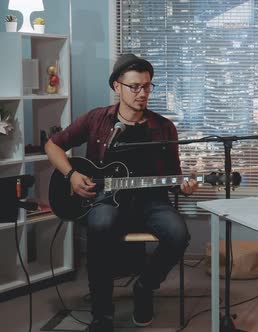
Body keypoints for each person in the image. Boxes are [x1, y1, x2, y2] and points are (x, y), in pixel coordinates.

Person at [45, 54, 198, 332]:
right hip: (106, 197)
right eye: (134, 87)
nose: (142, 93)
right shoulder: (97, 119)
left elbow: (174, 177)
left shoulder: (164, 127)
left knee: (179, 234)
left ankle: (144, 287)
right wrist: (71, 174)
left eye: (147, 86)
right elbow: (53, 146)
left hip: (152, 201)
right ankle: (102, 314)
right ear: (117, 87)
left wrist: (184, 185)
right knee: (100, 225)